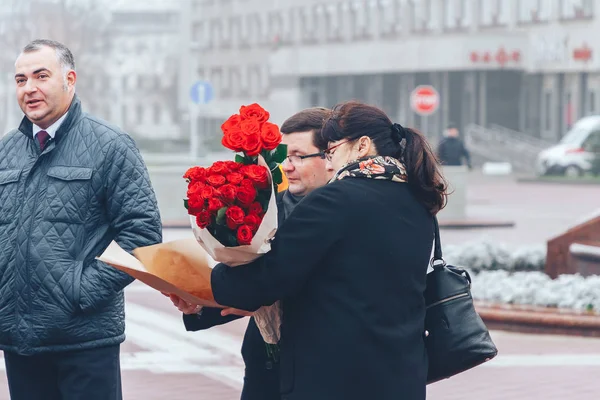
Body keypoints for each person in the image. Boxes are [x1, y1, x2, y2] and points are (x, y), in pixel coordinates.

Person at [210, 101, 448, 400]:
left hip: (335, 378)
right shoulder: (415, 199)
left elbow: (272, 276)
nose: (330, 159)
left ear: (362, 146)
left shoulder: (335, 199)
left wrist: (209, 282)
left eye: (332, 149)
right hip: (401, 377)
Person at [0, 39, 162, 400]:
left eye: (41, 76)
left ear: (69, 79)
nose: (30, 89)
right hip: (20, 340)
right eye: (21, 80)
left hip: (84, 340)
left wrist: (80, 292)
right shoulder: (6, 151)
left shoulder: (111, 145)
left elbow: (143, 235)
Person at [169, 107, 333, 400]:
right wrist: (197, 303)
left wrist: (265, 299)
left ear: (330, 156)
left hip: (320, 365)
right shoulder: (269, 206)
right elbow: (246, 274)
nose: (287, 166)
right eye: (285, 156)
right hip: (263, 368)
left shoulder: (348, 215)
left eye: (298, 156)